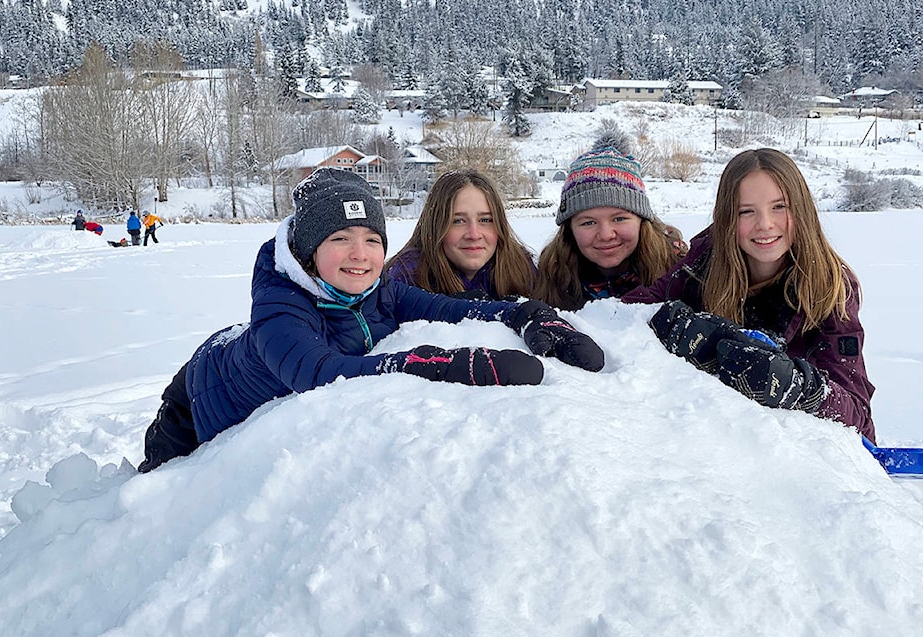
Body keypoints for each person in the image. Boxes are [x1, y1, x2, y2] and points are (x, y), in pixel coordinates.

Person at [138, 168, 606, 472]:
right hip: (198, 400)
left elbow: (445, 306)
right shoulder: (281, 308)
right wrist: (442, 365)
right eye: (340, 238)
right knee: (151, 496)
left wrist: (522, 313)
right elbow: (316, 373)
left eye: (371, 239)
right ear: (308, 251)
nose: (359, 255)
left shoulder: (379, 290)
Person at [622, 148, 875, 442]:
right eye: (746, 211)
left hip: (793, 453)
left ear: (802, 210)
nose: (765, 224)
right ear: (728, 217)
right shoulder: (705, 260)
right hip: (707, 440)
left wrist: (800, 387)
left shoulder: (831, 287)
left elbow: (859, 418)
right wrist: (674, 324)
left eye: (779, 207)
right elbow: (631, 312)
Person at [533, 132, 687, 310]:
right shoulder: (550, 275)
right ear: (570, 229)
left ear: (642, 220)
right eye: (588, 222)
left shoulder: (678, 269)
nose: (606, 235)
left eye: (619, 218)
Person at [385, 169, 537, 300]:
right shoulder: (405, 279)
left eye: (485, 220)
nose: (474, 234)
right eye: (458, 221)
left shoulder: (522, 271)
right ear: (435, 226)